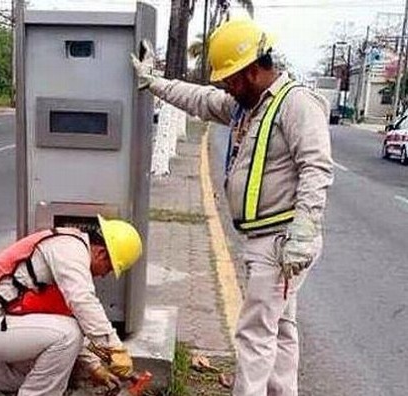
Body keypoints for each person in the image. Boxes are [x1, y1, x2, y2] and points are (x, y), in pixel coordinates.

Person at [131, 18, 333, 396]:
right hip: (267, 240)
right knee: (281, 328)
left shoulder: (296, 104)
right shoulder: (247, 106)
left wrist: (303, 235)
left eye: (231, 78)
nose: (225, 85)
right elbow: (199, 99)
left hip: (282, 241)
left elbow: (316, 168)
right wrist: (153, 82)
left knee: (255, 334)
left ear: (254, 70)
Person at [0, 215, 143, 396]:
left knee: (59, 372)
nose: (103, 275)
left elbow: (71, 315)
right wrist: (115, 349)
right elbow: (83, 302)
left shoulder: (66, 251)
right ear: (101, 253)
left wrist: (94, 366)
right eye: (109, 268)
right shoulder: (70, 250)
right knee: (68, 336)